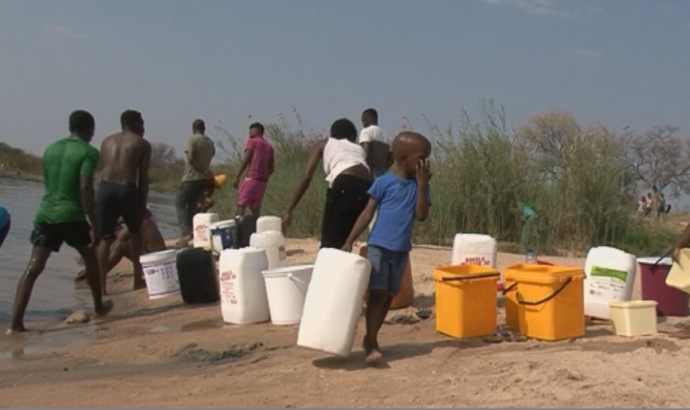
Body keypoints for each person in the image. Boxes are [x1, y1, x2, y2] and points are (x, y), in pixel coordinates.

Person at [6, 110, 113, 334]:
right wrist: (94, 223)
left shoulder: (51, 149)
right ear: (89, 129)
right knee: (91, 259)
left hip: (45, 213)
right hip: (72, 215)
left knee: (33, 268)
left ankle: (15, 324)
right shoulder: (88, 152)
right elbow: (85, 188)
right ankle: (99, 307)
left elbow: (50, 184)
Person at [342, 131, 432, 364]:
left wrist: (422, 185)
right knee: (377, 294)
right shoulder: (384, 182)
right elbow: (366, 213)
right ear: (403, 158)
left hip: (401, 249)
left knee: (389, 297)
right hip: (379, 246)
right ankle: (371, 341)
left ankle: (371, 338)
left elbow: (421, 215)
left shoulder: (419, 186)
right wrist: (350, 239)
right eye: (422, 158)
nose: (426, 163)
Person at [283, 118, 372, 249]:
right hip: (367, 187)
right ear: (353, 137)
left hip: (345, 183)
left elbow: (306, 176)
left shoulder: (324, 143)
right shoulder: (358, 149)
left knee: (330, 243)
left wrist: (289, 210)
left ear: (332, 134)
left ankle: (331, 266)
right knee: (346, 239)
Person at [97, 110, 152, 295]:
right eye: (142, 124)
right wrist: (142, 206)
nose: (144, 128)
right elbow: (143, 180)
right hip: (126, 189)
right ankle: (138, 279)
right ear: (135, 123)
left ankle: (101, 286)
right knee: (136, 233)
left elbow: (103, 169)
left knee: (105, 239)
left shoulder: (106, 141)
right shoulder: (142, 144)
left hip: (105, 189)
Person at [75, 210, 166, 284]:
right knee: (119, 244)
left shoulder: (137, 221)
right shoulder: (143, 219)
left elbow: (117, 242)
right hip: (158, 260)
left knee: (120, 246)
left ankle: (96, 275)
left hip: (155, 264)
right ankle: (96, 273)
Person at [176, 119, 216, 246]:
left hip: (191, 177)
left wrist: (202, 169)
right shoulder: (209, 142)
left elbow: (191, 158)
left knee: (180, 203)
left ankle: (185, 232)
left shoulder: (191, 140)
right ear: (204, 128)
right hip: (203, 179)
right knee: (193, 206)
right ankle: (192, 231)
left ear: (193, 128)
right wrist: (205, 170)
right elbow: (212, 155)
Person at [233, 123, 275, 217]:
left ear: (257, 131)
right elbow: (271, 168)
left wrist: (237, 176)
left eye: (251, 131)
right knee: (255, 208)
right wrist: (264, 174)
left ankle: (238, 228)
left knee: (241, 204)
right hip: (262, 181)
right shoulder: (269, 147)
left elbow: (246, 159)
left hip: (251, 178)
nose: (249, 133)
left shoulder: (252, 141)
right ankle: (257, 228)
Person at [358, 108, 393, 178]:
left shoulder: (366, 131)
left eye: (363, 120)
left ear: (368, 118)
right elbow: (391, 156)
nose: (363, 123)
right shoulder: (385, 135)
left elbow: (365, 151)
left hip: (369, 173)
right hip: (381, 174)